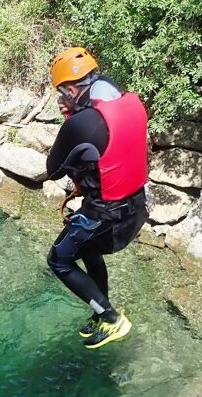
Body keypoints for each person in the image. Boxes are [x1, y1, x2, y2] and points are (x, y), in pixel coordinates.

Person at [45, 47, 150, 349]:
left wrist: (70, 119)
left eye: (62, 93)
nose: (61, 100)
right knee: (89, 250)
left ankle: (112, 318)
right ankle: (100, 311)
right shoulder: (131, 102)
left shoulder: (82, 123)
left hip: (104, 216)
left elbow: (53, 170)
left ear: (71, 90)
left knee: (59, 260)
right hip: (137, 209)